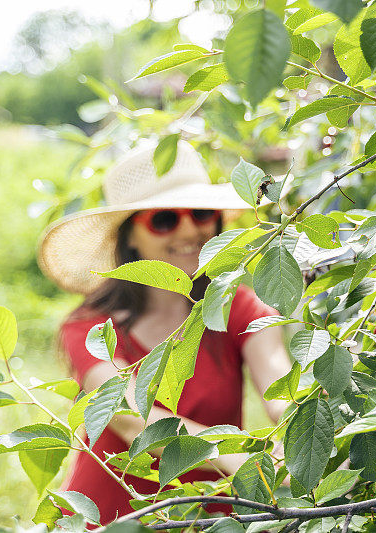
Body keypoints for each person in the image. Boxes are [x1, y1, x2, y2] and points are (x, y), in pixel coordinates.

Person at [36, 140, 293, 525]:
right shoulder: (91, 326)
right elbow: (126, 416)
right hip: (112, 518)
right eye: (164, 219)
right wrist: (242, 460)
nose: (190, 229)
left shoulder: (237, 307)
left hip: (208, 517)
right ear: (131, 237)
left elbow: (282, 389)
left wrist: (302, 436)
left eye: (202, 212)